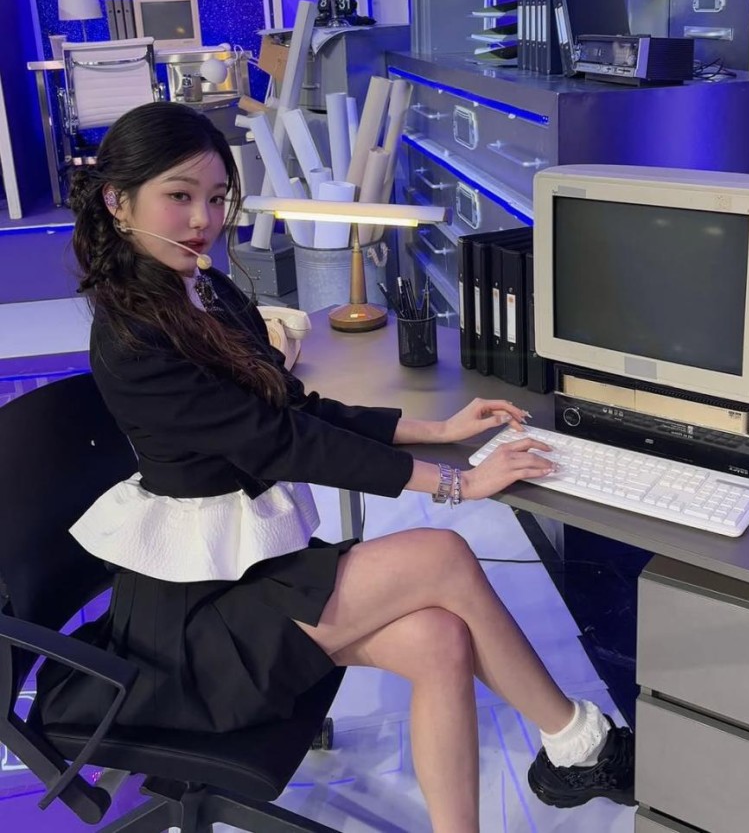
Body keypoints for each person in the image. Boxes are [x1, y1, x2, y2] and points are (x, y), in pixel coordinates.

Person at [36, 101, 634, 833]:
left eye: (217, 198)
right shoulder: (136, 337)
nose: (203, 219)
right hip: (190, 635)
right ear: (117, 201)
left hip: (241, 575)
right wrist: (460, 482)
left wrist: (435, 430)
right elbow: (283, 443)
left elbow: (295, 406)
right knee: (441, 554)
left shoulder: (200, 286)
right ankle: (578, 743)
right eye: (180, 196)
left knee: (441, 638)